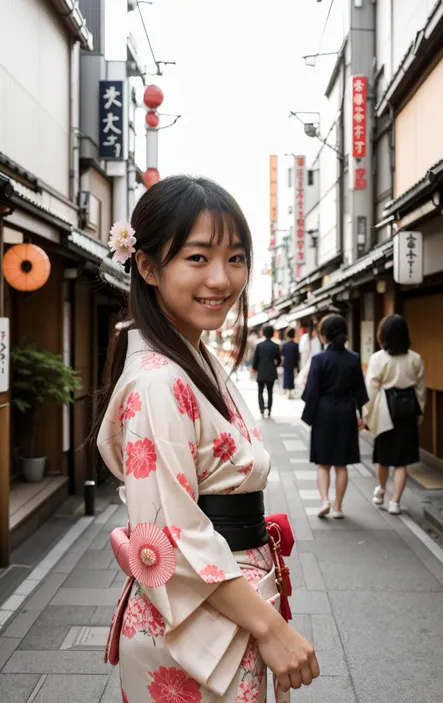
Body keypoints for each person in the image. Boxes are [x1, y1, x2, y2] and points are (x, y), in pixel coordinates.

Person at [95, 176, 319, 702]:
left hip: (221, 602)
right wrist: (271, 628)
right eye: (198, 258)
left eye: (235, 258)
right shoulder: (158, 379)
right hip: (199, 615)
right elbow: (169, 533)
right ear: (147, 266)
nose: (221, 278)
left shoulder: (191, 361)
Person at [302, 314, 368, 519]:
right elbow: (360, 391)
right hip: (346, 410)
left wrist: (309, 418)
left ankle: (325, 501)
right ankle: (338, 507)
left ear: (324, 337)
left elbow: (312, 392)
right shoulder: (354, 358)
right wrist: (362, 416)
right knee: (341, 463)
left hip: (324, 410)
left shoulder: (319, 359)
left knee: (323, 463)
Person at [364, 314, 426, 515]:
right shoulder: (415, 358)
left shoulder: (378, 358)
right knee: (402, 461)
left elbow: (371, 389)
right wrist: (420, 411)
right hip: (408, 410)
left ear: (384, 336)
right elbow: (421, 389)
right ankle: (395, 502)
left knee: (384, 456)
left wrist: (367, 415)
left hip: (385, 410)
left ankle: (381, 489)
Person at [252, 325, 281, 418]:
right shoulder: (275, 346)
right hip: (271, 371)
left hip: (261, 371)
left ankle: (261, 409)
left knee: (260, 391)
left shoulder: (259, 346)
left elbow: (255, 359)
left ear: (263, 333)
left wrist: (255, 368)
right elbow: (279, 359)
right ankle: (269, 410)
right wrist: (275, 366)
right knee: (270, 391)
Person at [281, 328, 300, 398]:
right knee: (291, 377)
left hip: (286, 363)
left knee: (286, 376)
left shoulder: (285, 345)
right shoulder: (296, 345)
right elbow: (297, 356)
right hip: (293, 363)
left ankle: (286, 390)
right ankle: (291, 390)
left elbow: (282, 355)